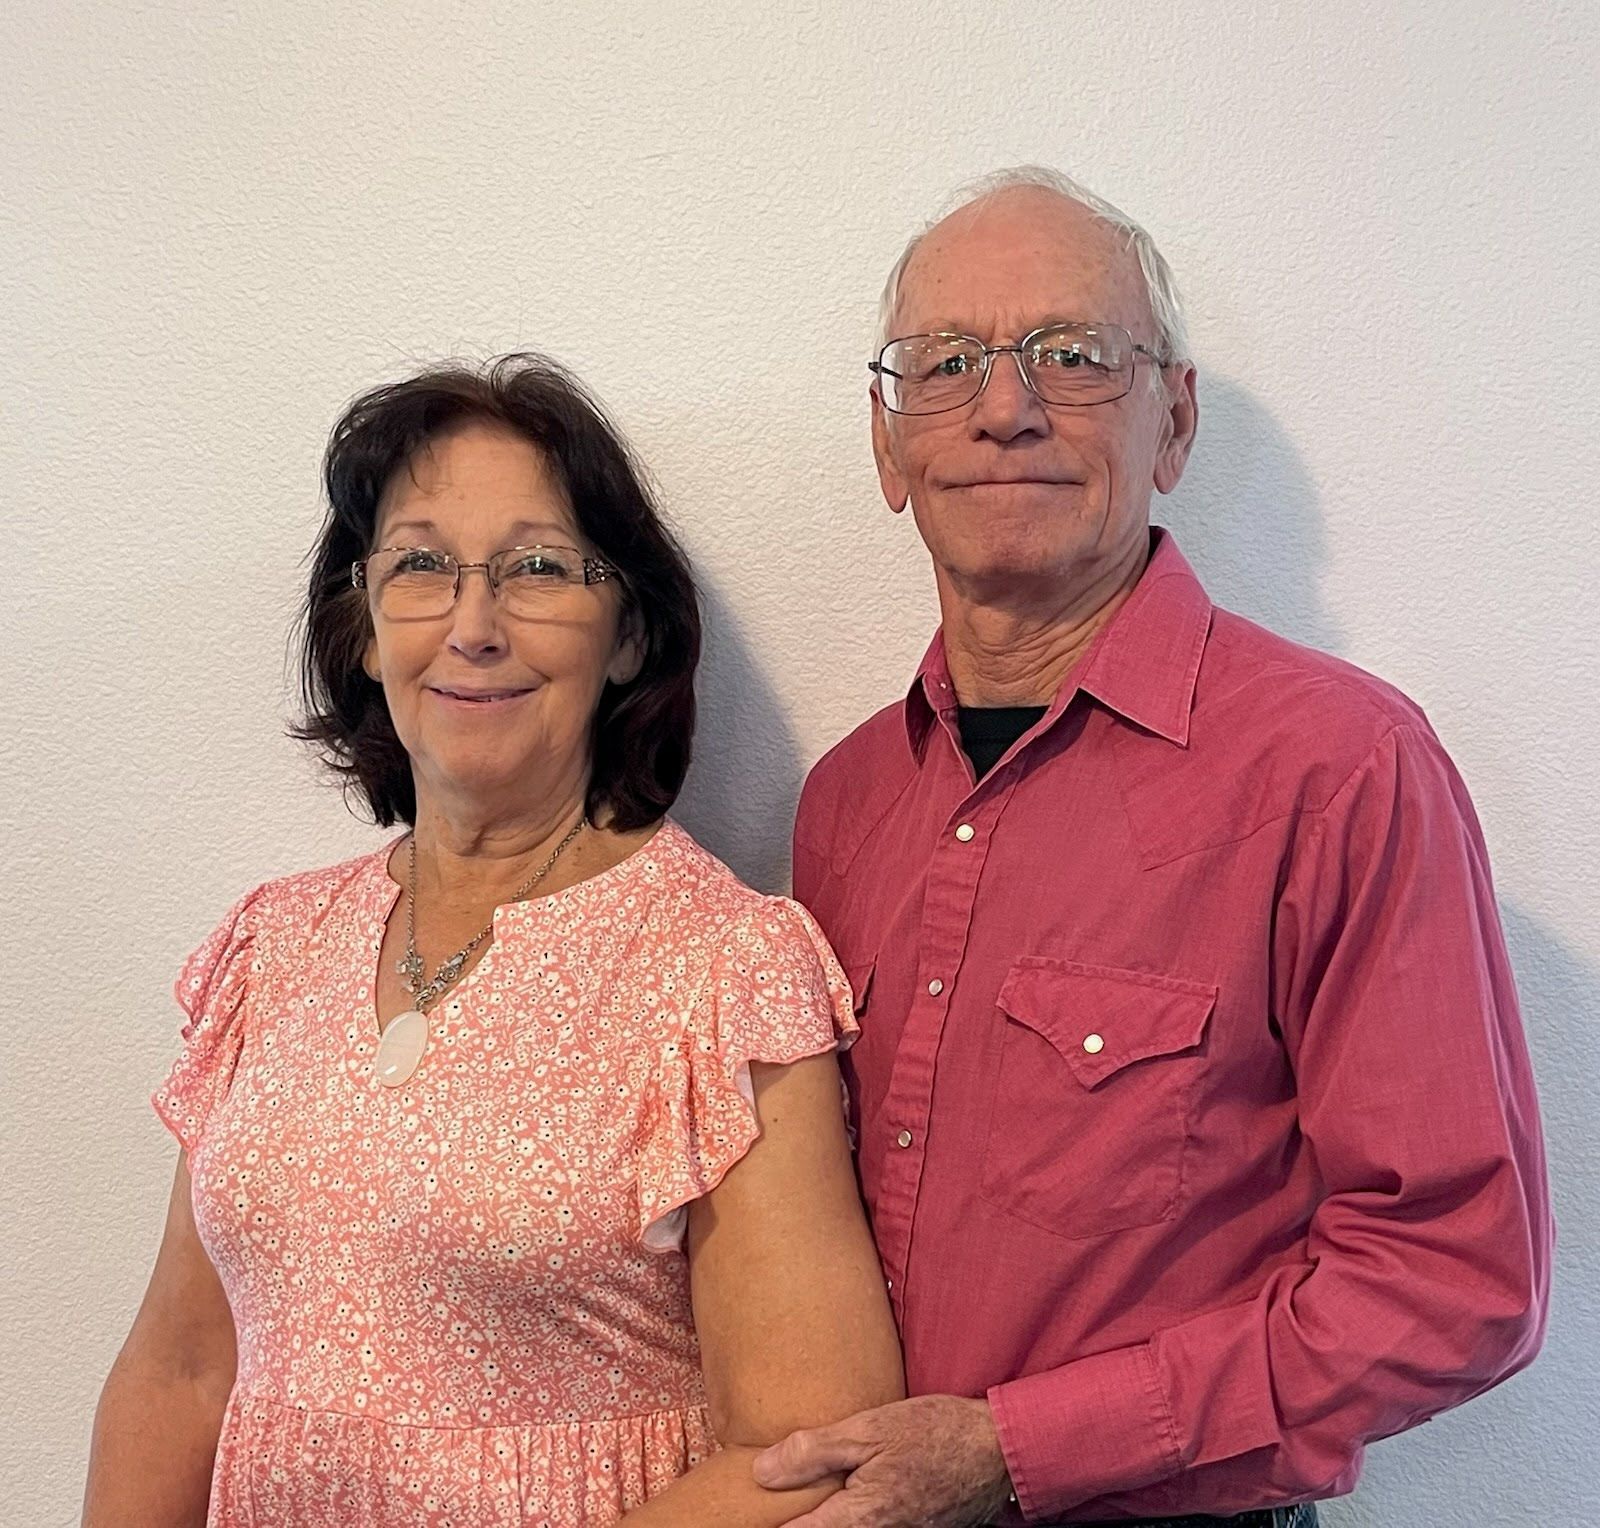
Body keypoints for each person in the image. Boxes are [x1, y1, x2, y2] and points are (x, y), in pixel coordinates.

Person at [753, 168, 1552, 1527]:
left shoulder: (1338, 768)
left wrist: (1012, 1448)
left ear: (1172, 418)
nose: (1005, 408)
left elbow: (1455, 1277)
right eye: (945, 365)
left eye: (1072, 356)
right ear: (888, 447)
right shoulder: (843, 803)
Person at [82, 355, 903, 1527]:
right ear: (362, 628)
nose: (472, 626)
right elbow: (181, 1369)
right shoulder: (273, 945)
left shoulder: (721, 966)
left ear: (627, 634)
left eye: (536, 569)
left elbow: (809, 1448)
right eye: (420, 565)